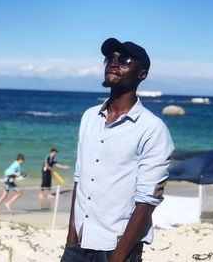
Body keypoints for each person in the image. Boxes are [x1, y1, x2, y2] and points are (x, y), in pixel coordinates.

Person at [61, 38, 174, 262]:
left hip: (116, 250)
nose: (114, 63)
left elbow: (147, 200)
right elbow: (80, 178)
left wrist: (117, 257)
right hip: (77, 246)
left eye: (124, 59)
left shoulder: (152, 129)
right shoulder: (89, 117)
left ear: (142, 74)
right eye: (110, 58)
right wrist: (71, 238)